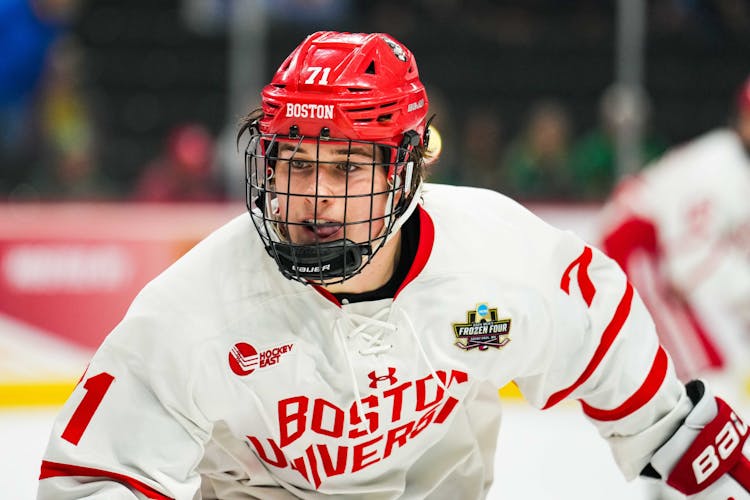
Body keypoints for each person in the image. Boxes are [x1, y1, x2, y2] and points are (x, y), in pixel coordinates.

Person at [38, 31, 749, 500]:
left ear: (406, 172)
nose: (312, 196)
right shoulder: (195, 310)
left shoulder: (502, 260)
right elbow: (94, 479)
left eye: (346, 166)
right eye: (294, 162)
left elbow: (662, 418)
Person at [598, 76, 750, 392]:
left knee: (702, 370)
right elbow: (686, 266)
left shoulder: (733, 165)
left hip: (651, 251)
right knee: (702, 372)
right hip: (634, 244)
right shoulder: (718, 166)